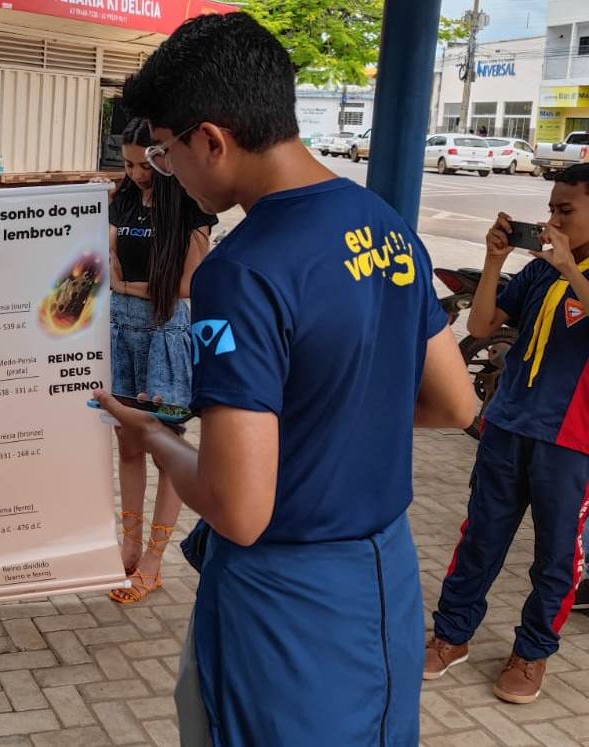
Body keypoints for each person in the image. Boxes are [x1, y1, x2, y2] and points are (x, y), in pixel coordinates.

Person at [98, 13, 476, 744]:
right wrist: (337, 420)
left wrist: (151, 434)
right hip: (384, 582)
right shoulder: (384, 223)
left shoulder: (241, 272)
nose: (168, 171)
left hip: (287, 605)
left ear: (212, 139)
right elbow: (454, 400)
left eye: (169, 154)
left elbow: (239, 508)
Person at [425, 163, 589, 704]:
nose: (551, 220)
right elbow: (479, 327)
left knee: (557, 555)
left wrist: (571, 269)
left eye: (565, 210)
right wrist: (497, 260)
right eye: (550, 209)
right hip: (509, 422)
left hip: (571, 441)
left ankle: (532, 651)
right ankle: (451, 635)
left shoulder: (565, 268)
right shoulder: (541, 270)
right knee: (482, 536)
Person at [106, 118, 216, 605]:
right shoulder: (124, 197)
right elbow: (104, 261)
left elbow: (192, 283)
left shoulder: (190, 206)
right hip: (119, 328)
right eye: (127, 164)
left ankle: (154, 559)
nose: (136, 173)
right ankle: (129, 547)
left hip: (167, 330)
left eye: (144, 162)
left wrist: (132, 286)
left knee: (165, 444)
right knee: (127, 438)